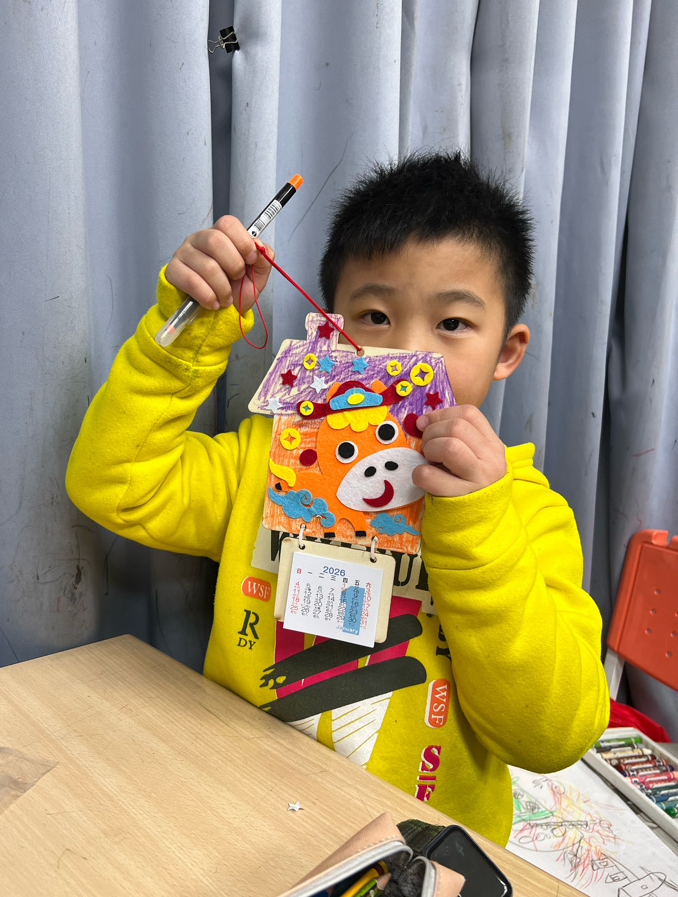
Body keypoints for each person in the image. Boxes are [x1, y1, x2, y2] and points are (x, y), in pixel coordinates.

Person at [66, 152, 609, 846]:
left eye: (452, 324)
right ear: (330, 330)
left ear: (508, 351)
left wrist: (476, 526)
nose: (405, 354)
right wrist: (189, 333)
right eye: (376, 316)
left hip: (415, 859)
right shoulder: (270, 457)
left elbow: (554, 736)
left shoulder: (527, 513)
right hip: (239, 820)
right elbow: (113, 481)